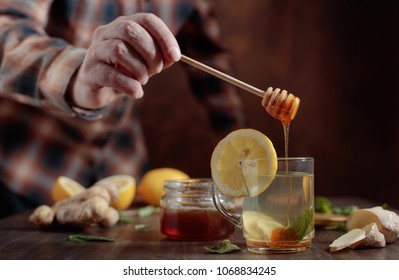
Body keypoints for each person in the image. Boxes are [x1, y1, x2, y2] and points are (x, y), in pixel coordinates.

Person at [0, 0, 246, 217]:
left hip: (123, 179)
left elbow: (214, 73)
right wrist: (77, 76)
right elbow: (7, 30)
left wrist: (245, 158)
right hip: (27, 172)